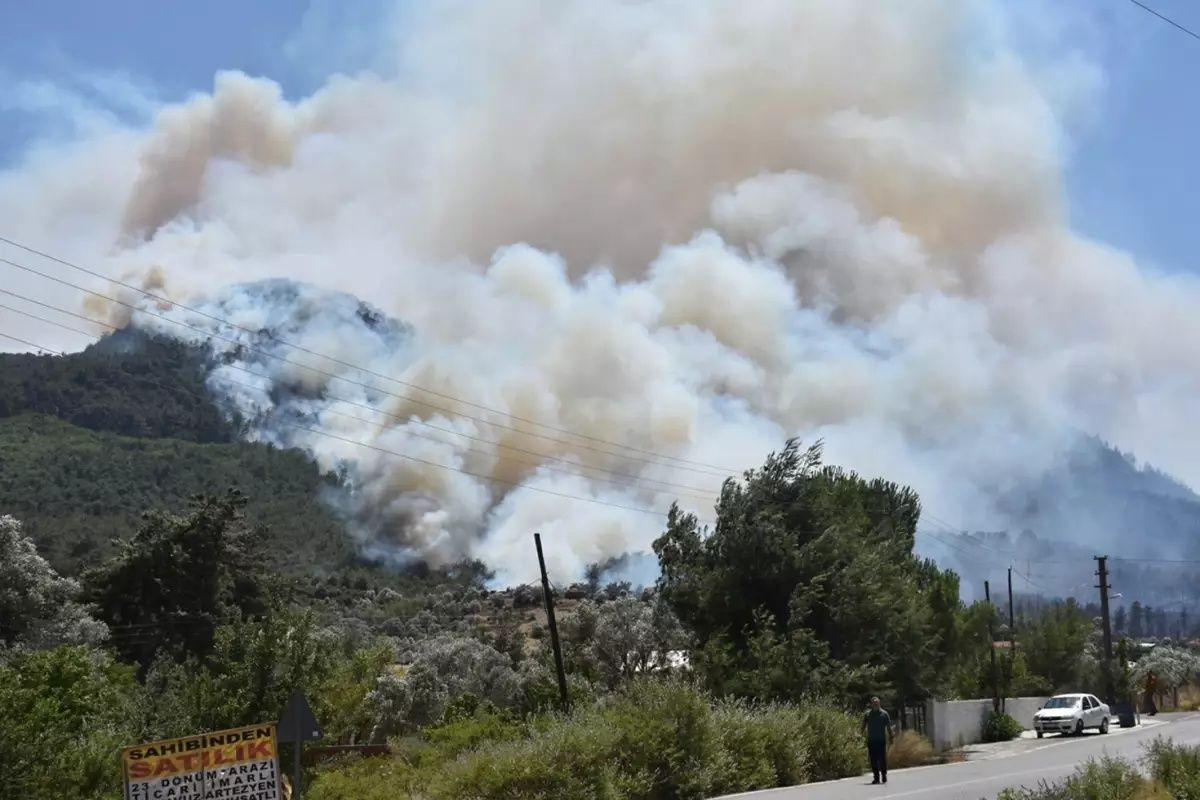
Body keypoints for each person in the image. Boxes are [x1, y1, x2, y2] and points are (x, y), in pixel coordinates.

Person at [861, 696, 893, 785]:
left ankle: (884, 775)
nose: (875, 704)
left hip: (881, 740)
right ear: (871, 704)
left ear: (879, 704)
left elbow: (889, 727)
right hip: (871, 740)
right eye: (874, 703)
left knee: (882, 759)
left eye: (877, 703)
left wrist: (891, 737)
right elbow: (863, 725)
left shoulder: (884, 714)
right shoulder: (868, 714)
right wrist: (860, 734)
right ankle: (876, 777)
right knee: (873, 760)